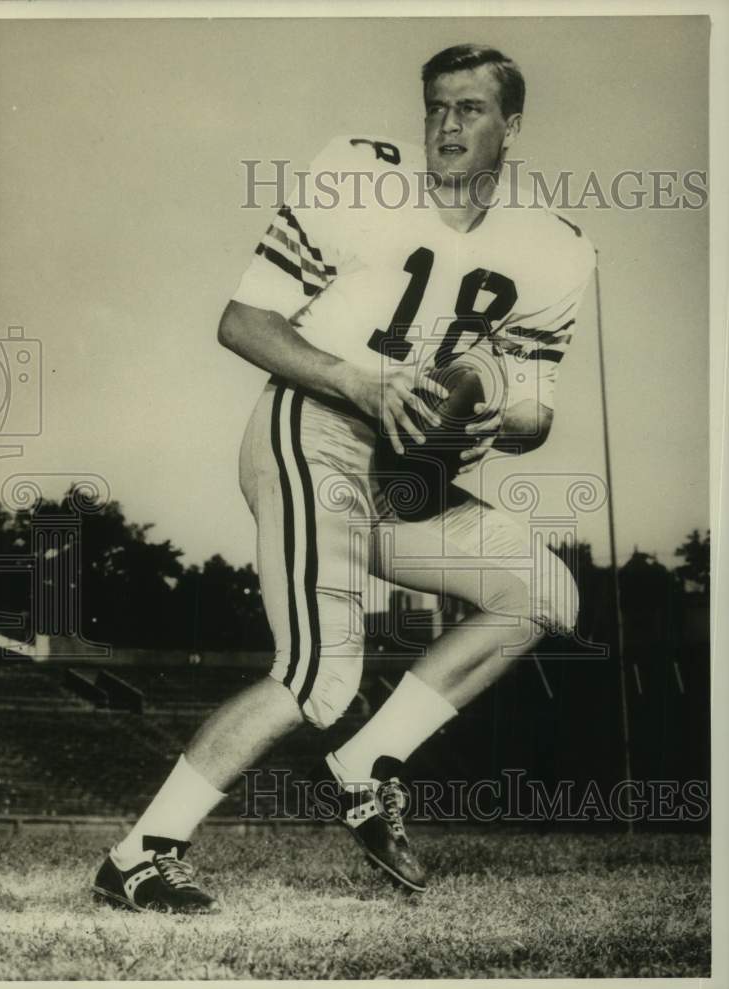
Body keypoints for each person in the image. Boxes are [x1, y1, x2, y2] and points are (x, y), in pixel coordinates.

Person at [93, 43, 595, 913]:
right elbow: (243, 322)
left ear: (510, 127)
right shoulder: (361, 179)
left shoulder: (554, 248)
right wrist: (357, 379)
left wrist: (487, 410)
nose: (445, 124)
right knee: (320, 675)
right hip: (314, 425)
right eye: (435, 105)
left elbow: (535, 415)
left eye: (469, 109)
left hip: (408, 473)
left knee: (543, 593)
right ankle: (138, 855)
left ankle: (368, 763)